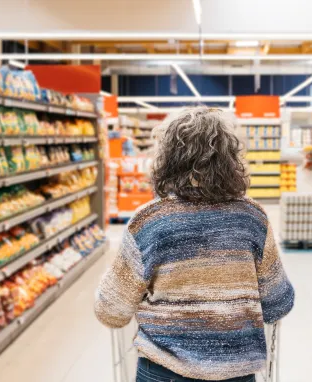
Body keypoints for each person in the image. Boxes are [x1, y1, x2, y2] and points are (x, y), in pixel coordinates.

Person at [94, 107, 295, 382]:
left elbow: (111, 311)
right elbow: (278, 303)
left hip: (163, 373)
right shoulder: (253, 219)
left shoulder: (148, 222)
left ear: (167, 159)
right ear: (231, 158)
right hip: (236, 374)